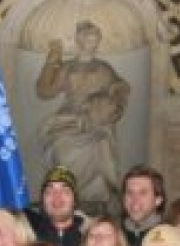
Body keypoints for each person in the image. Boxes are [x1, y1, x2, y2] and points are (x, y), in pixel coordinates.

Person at [36, 20, 130, 210]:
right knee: (61, 147)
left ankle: (95, 200)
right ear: (79, 40)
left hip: (95, 119)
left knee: (100, 144)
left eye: (95, 38)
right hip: (69, 118)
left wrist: (108, 105)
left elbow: (120, 89)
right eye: (88, 37)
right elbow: (45, 91)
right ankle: (66, 195)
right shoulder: (68, 67)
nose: (92, 42)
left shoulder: (103, 68)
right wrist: (51, 62)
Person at [28, 165, 86, 246]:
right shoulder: (28, 235)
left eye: (65, 191)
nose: (57, 196)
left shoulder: (90, 235)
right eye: (49, 191)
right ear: (42, 200)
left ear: (75, 200)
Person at [119, 165, 166, 246]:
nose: (135, 199)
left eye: (142, 193)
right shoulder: (114, 236)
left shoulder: (169, 238)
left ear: (158, 200)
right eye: (130, 193)